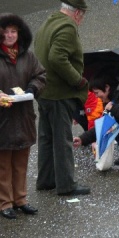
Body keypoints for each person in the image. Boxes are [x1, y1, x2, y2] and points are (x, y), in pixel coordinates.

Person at [34, 0, 91, 196]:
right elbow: (57, 58)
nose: (81, 20)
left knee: (46, 137)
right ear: (77, 13)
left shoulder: (50, 21)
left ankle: (46, 179)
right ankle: (66, 185)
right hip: (59, 93)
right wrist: (78, 81)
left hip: (43, 91)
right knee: (62, 139)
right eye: (82, 16)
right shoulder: (67, 27)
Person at [0, 14, 46, 219]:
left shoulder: (27, 56)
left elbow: (40, 75)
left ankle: (20, 199)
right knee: (3, 164)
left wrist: (32, 89)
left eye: (13, 31)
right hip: (3, 118)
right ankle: (4, 202)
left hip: (23, 116)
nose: (10, 36)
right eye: (6, 32)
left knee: (20, 162)